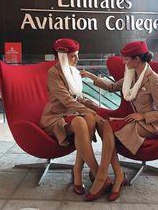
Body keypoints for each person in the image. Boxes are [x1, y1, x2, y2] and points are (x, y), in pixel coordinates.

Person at [81, 40, 158, 201]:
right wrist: (90, 76)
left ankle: (102, 177)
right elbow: (111, 87)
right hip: (136, 122)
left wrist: (143, 116)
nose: (124, 61)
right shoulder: (132, 75)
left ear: (137, 59)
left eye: (127, 59)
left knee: (107, 126)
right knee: (103, 124)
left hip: (151, 125)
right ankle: (118, 175)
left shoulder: (154, 79)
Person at [40, 38, 111, 195]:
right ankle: (98, 173)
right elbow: (67, 100)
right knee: (81, 121)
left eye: (77, 55)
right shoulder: (54, 73)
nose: (77, 59)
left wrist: (97, 108)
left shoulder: (72, 71)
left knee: (91, 119)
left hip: (71, 113)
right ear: (62, 56)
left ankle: (77, 171)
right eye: (73, 56)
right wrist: (89, 111)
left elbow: (78, 98)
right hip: (55, 116)